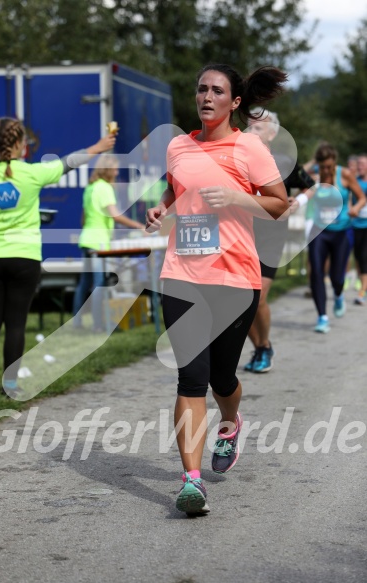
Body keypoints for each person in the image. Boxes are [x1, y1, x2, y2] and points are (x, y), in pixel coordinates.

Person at [146, 64, 289, 515]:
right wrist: (161, 207)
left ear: (235, 102)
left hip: (234, 276)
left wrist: (238, 198)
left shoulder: (248, 147)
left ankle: (230, 420)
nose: (207, 97)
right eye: (201, 89)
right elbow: (178, 190)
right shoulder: (178, 146)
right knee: (190, 377)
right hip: (182, 273)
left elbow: (279, 204)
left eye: (217, 91)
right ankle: (191, 481)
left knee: (221, 377)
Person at [0, 117, 116, 397]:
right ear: (21, 146)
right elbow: (69, 162)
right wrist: (99, 146)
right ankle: (10, 384)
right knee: (16, 323)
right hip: (24, 257)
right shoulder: (33, 174)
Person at [243, 108, 315, 373]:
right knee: (241, 304)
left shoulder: (284, 162)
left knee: (257, 298)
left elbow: (311, 185)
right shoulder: (237, 159)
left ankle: (262, 348)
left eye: (259, 127)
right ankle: (263, 347)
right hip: (240, 234)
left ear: (272, 134)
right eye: (249, 125)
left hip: (271, 236)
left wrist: (300, 200)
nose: (252, 130)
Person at [292, 142, 366, 333]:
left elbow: (362, 197)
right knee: (317, 272)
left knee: (336, 278)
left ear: (334, 163)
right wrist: (295, 203)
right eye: (323, 166)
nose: (326, 170)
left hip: (341, 232)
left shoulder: (345, 175)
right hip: (319, 231)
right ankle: (322, 317)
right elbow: (306, 194)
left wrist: (356, 208)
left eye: (329, 166)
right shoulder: (315, 177)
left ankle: (339, 295)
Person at [72, 154, 144, 332]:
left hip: (86, 239)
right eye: (114, 169)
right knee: (99, 283)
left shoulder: (90, 188)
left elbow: (83, 218)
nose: (117, 172)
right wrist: (138, 226)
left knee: (84, 283)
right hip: (98, 242)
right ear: (107, 170)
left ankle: (77, 323)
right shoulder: (104, 188)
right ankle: (98, 325)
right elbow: (115, 214)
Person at [352, 153, 367, 304]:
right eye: (359, 163)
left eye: (363, 163)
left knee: (363, 257)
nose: (360, 166)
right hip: (355, 224)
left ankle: (362, 292)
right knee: (357, 256)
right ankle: (362, 283)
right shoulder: (354, 182)